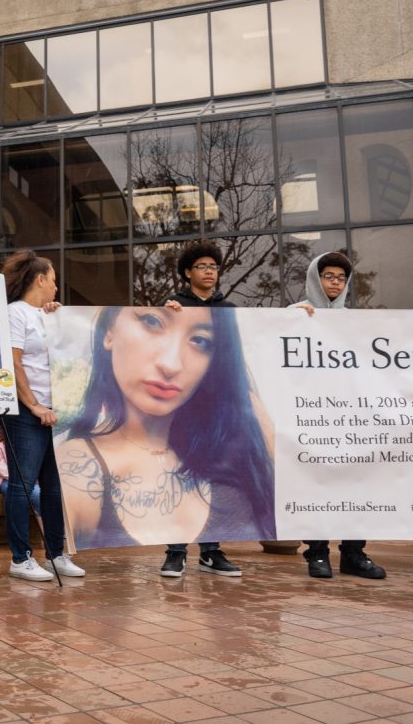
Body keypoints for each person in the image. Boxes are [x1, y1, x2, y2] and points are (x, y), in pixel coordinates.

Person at [56, 301, 276, 555]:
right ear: (109, 333)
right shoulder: (81, 467)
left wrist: (301, 318)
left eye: (201, 341)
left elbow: (296, 511)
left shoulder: (239, 440)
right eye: (152, 322)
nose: (171, 365)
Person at [292, 252, 387, 580]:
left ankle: (354, 553)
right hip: (311, 418)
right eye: (328, 276)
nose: (334, 282)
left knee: (355, 487)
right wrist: (290, 325)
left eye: (340, 278)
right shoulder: (295, 315)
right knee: (316, 486)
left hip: (353, 419)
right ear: (314, 279)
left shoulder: (355, 321)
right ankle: (317, 553)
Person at [155, 242, 245, 579]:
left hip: (220, 407)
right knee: (180, 476)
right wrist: (166, 316)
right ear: (188, 273)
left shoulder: (232, 309)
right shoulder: (175, 306)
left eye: (214, 266)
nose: (209, 271)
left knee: (213, 477)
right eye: (202, 266)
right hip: (183, 407)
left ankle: (211, 551)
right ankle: (175, 551)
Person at [0, 250, 85, 583]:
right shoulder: (15, 314)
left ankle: (56, 554)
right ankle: (20, 558)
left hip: (56, 412)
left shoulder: (50, 315)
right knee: (22, 486)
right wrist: (34, 404)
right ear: (40, 279)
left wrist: (61, 320)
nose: (56, 288)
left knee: (53, 488)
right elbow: (13, 361)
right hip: (25, 411)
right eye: (54, 280)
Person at [0, 432, 41, 516]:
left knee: (40, 494)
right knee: (18, 494)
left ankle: (44, 523)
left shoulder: (30, 440)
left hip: (30, 480)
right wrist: (19, 476)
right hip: (5, 479)